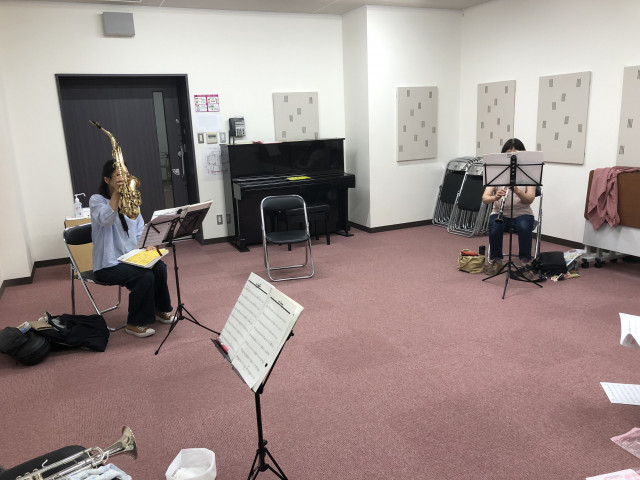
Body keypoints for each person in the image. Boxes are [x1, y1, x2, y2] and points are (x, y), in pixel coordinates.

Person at [89, 160, 175, 337]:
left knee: (159, 267)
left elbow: (139, 231)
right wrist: (117, 193)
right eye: (118, 175)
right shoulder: (97, 200)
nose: (124, 178)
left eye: (126, 174)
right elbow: (106, 220)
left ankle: (160, 309)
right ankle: (135, 323)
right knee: (144, 276)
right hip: (108, 264)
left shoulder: (132, 200)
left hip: (131, 258)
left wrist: (147, 245)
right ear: (107, 180)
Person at [481, 138, 536, 279]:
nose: (512, 155)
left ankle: (525, 264)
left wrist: (517, 190)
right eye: (508, 152)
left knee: (524, 226)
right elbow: (485, 198)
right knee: (495, 227)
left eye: (515, 152)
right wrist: (495, 197)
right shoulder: (498, 172)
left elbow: (530, 199)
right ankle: (496, 261)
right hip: (500, 212)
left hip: (522, 213)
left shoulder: (529, 173)